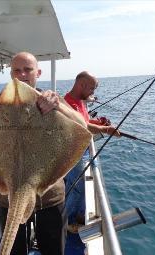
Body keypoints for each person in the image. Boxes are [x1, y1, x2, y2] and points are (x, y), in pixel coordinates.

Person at [0, 52, 83, 255]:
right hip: (9, 191)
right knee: (14, 250)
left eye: (27, 69)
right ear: (11, 74)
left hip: (49, 193)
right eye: (17, 70)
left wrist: (59, 106)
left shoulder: (52, 99)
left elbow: (82, 126)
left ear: (38, 72)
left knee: (54, 251)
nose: (22, 74)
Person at [63, 71, 120, 234]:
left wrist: (99, 122)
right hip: (74, 152)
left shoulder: (80, 101)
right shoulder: (68, 104)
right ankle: (68, 221)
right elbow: (83, 126)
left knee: (80, 186)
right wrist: (106, 129)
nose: (93, 94)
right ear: (81, 85)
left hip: (83, 149)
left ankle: (78, 214)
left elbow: (87, 120)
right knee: (75, 187)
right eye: (92, 89)